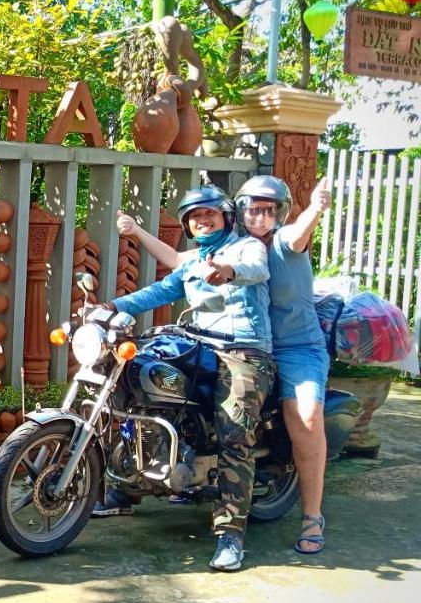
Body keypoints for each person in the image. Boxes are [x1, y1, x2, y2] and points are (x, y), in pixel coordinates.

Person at [117, 177, 332, 554]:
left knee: (300, 420)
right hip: (210, 342)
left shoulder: (267, 245)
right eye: (254, 207)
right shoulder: (209, 250)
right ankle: (125, 485)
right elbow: (171, 272)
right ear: (240, 209)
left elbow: (273, 253)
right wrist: (112, 305)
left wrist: (316, 207)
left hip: (285, 346)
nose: (261, 216)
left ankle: (301, 518)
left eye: (270, 209)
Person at [95, 186, 274, 572]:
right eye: (194, 216)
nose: (202, 220)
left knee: (234, 433)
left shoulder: (245, 247)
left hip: (243, 351)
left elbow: (257, 268)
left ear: (226, 216)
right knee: (135, 389)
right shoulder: (194, 261)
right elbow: (160, 291)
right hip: (196, 343)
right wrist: (111, 306)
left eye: (209, 213)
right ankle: (124, 490)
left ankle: (230, 535)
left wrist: (229, 271)